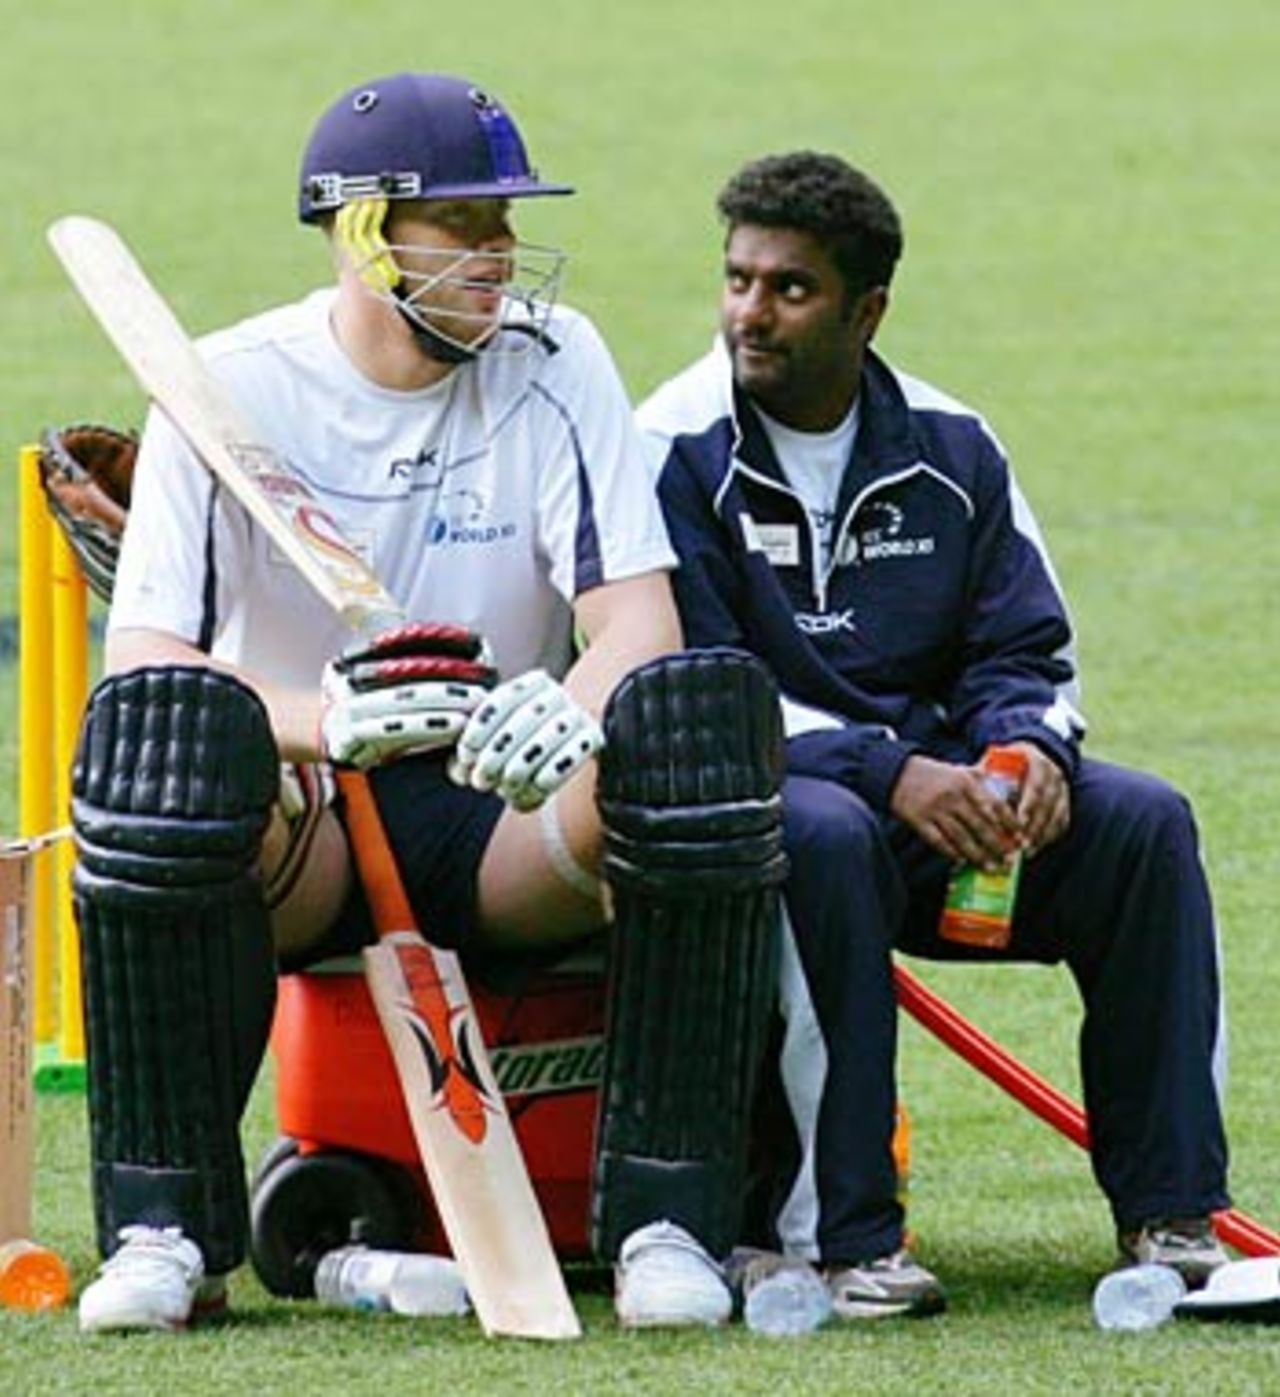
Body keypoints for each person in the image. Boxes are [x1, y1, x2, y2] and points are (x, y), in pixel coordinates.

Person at [72, 72, 784, 1334]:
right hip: (298, 820)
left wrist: (566, 706)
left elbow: (636, 620)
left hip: (493, 804)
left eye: (507, 228)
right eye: (468, 227)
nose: (501, 261)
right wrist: (321, 721)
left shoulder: (557, 363)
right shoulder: (225, 384)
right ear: (365, 234)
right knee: (162, 743)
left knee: (692, 715)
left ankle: (666, 1222)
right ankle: (165, 1230)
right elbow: (146, 659)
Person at [638, 150, 1231, 1320]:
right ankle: (836, 1235)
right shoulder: (667, 445)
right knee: (822, 833)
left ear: (866, 311)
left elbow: (1027, 651)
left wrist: (1025, 755)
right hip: (764, 810)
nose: (748, 313)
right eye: (736, 280)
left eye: (788, 289)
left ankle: (1173, 1213)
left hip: (943, 802)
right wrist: (886, 768)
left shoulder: (953, 447)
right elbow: (696, 686)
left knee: (1141, 822)